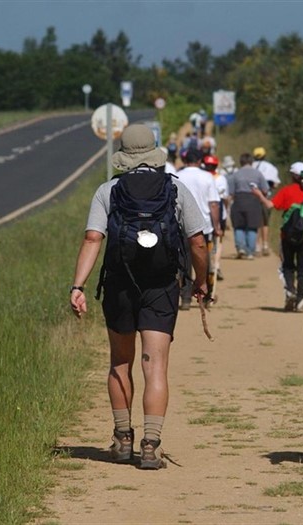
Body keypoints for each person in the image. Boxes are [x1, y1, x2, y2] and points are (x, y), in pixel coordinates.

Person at [69, 124, 209, 470]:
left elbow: (92, 239)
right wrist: (201, 281)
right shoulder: (175, 189)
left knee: (120, 361)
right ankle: (150, 443)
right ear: (154, 151)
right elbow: (198, 242)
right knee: (155, 365)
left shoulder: (109, 190)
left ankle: (122, 438)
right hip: (161, 286)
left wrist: (78, 286)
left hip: (118, 285)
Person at [252, 161, 303, 312]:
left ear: (293, 176)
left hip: (287, 236)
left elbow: (271, 205)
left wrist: (259, 195)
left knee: (287, 266)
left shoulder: (286, 191)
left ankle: (290, 290)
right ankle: (301, 300)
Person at [176, 148, 222, 309]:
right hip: (204, 225)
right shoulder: (207, 177)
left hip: (180, 224)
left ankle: (186, 297)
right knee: (205, 259)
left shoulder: (177, 175)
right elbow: (214, 204)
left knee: (185, 261)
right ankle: (206, 293)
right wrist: (217, 226)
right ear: (199, 161)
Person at [227, 153, 269, 260]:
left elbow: (230, 193)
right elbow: (265, 189)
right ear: (251, 162)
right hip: (253, 202)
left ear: (241, 162)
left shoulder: (235, 175)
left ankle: (241, 248)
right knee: (252, 227)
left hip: (239, 201)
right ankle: (250, 252)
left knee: (239, 226)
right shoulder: (258, 174)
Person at [202, 154, 230, 282]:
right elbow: (224, 198)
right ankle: (215, 265)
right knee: (218, 242)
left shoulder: (202, 177)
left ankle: (209, 264)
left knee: (206, 242)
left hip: (204, 213)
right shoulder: (221, 179)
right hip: (218, 213)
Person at [252, 147, 281, 256]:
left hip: (253, 197)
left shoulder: (251, 166)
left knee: (256, 222)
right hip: (266, 197)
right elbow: (276, 183)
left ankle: (257, 246)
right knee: (265, 222)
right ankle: (265, 244)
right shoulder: (271, 167)